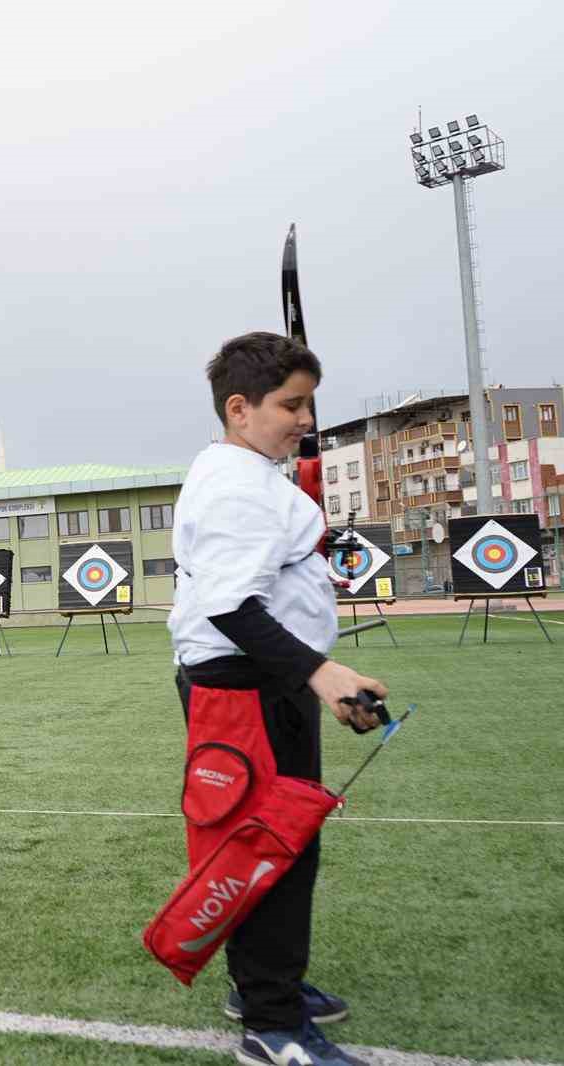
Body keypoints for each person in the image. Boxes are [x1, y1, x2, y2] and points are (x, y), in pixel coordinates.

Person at [168, 333, 387, 1066]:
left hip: (263, 685)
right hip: (244, 691)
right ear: (240, 407)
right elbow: (232, 606)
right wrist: (318, 676)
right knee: (271, 850)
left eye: (308, 403)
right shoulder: (236, 484)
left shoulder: (247, 473)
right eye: (290, 404)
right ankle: (271, 1024)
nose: (304, 419)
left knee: (280, 844)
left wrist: (316, 676)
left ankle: (265, 986)